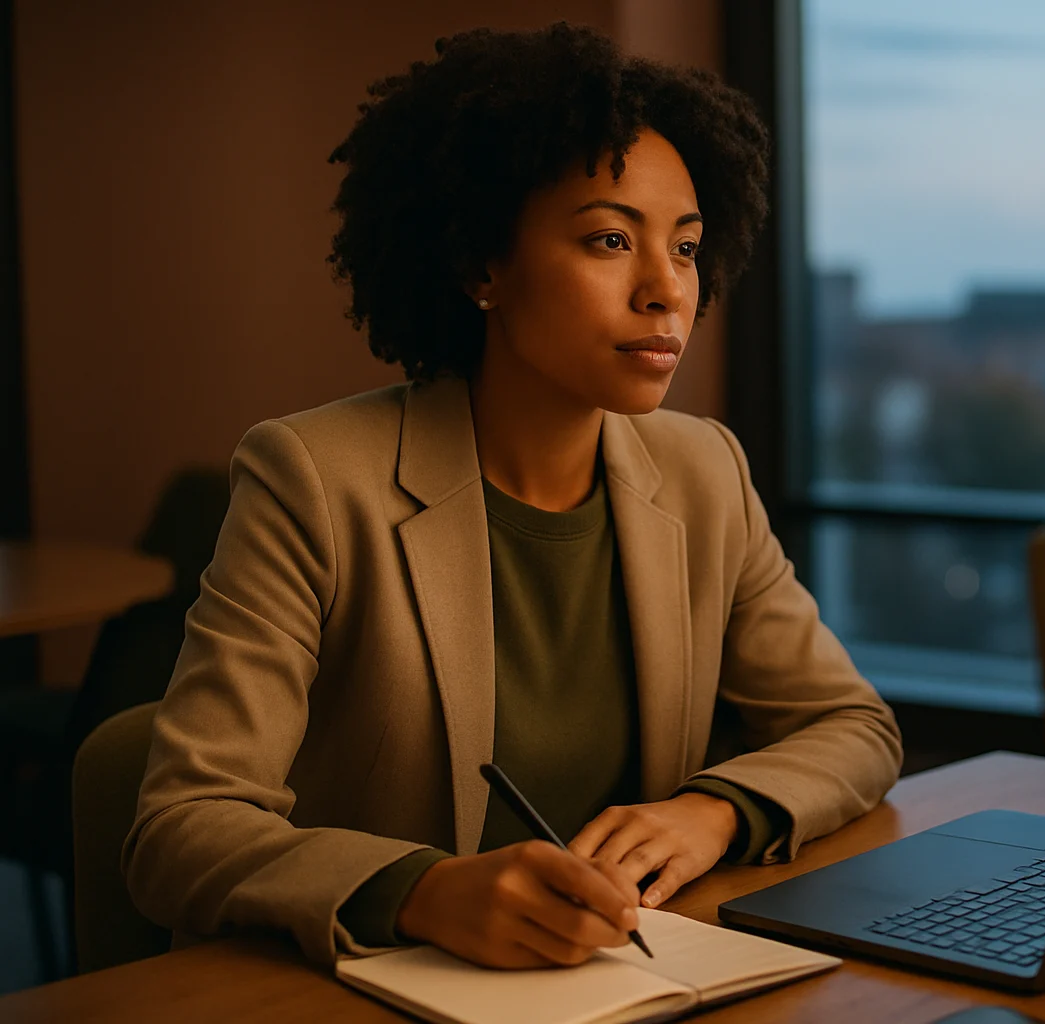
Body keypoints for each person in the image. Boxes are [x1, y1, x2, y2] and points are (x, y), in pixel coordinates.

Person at [124, 24, 902, 971]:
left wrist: (713, 814)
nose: (667, 291)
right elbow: (180, 828)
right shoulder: (313, 479)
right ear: (480, 266)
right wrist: (420, 889)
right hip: (377, 988)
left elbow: (854, 727)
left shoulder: (705, 472)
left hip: (624, 977)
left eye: (689, 250)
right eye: (611, 240)